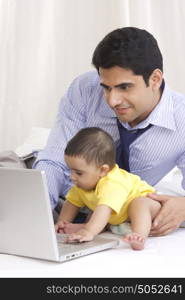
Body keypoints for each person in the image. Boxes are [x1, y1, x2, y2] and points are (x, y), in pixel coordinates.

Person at [33, 27, 185, 236]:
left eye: (124, 87)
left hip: (119, 213)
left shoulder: (182, 118)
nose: (112, 100)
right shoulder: (85, 89)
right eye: (106, 87)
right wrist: (37, 213)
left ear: (155, 79)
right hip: (67, 201)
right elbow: (54, 160)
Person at [55, 127, 160, 250]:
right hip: (119, 219)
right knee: (94, 211)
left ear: (103, 170)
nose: (72, 177)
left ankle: (139, 236)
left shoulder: (113, 183)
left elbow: (104, 209)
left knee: (138, 204)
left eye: (78, 173)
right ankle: (92, 226)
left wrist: (88, 231)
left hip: (150, 209)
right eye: (70, 170)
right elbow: (71, 203)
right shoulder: (82, 184)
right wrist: (61, 222)